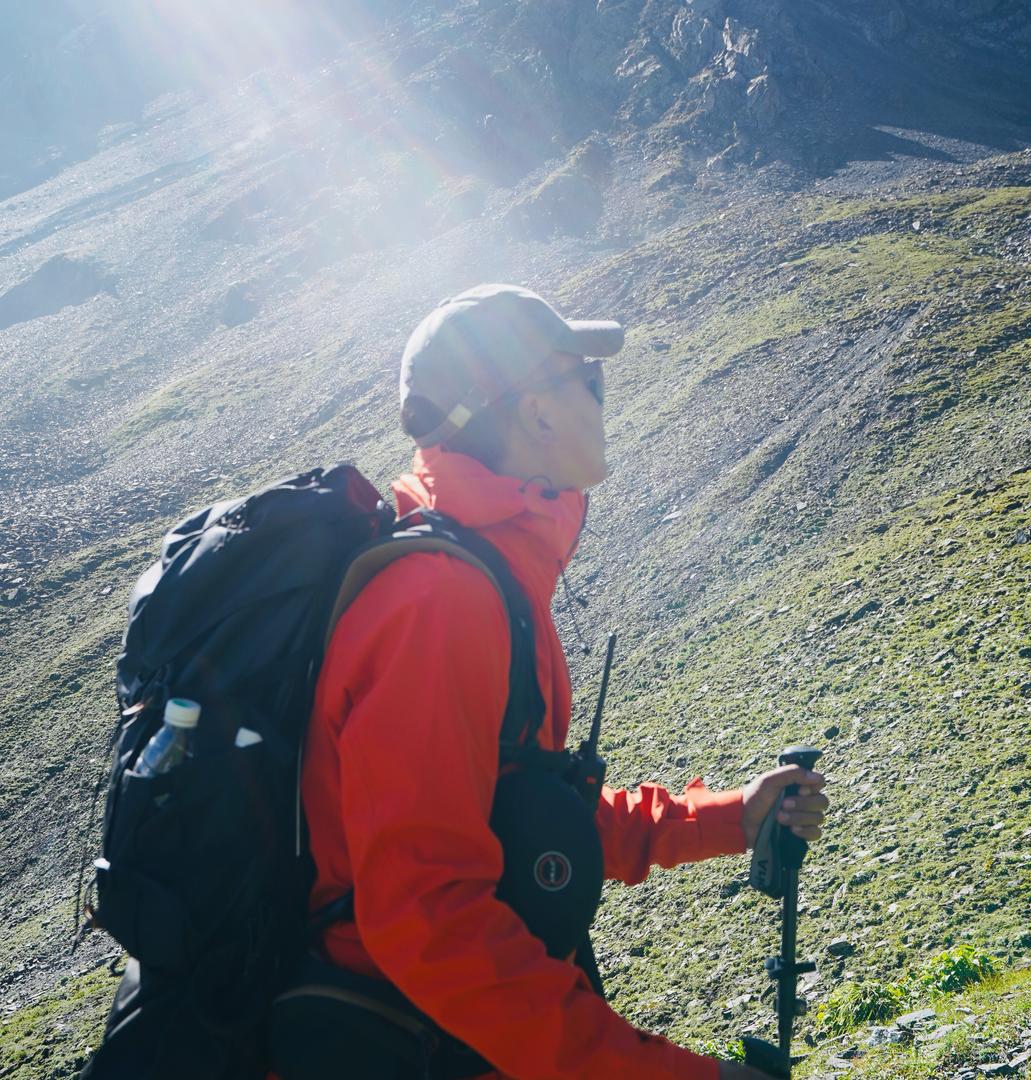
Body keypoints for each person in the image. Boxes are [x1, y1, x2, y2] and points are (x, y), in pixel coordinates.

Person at [292, 283, 828, 1079]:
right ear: (538, 414)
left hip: (430, 1034)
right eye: (591, 383)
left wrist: (727, 819)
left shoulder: (484, 570)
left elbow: (523, 825)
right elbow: (432, 923)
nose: (604, 403)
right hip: (396, 1044)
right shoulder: (441, 603)